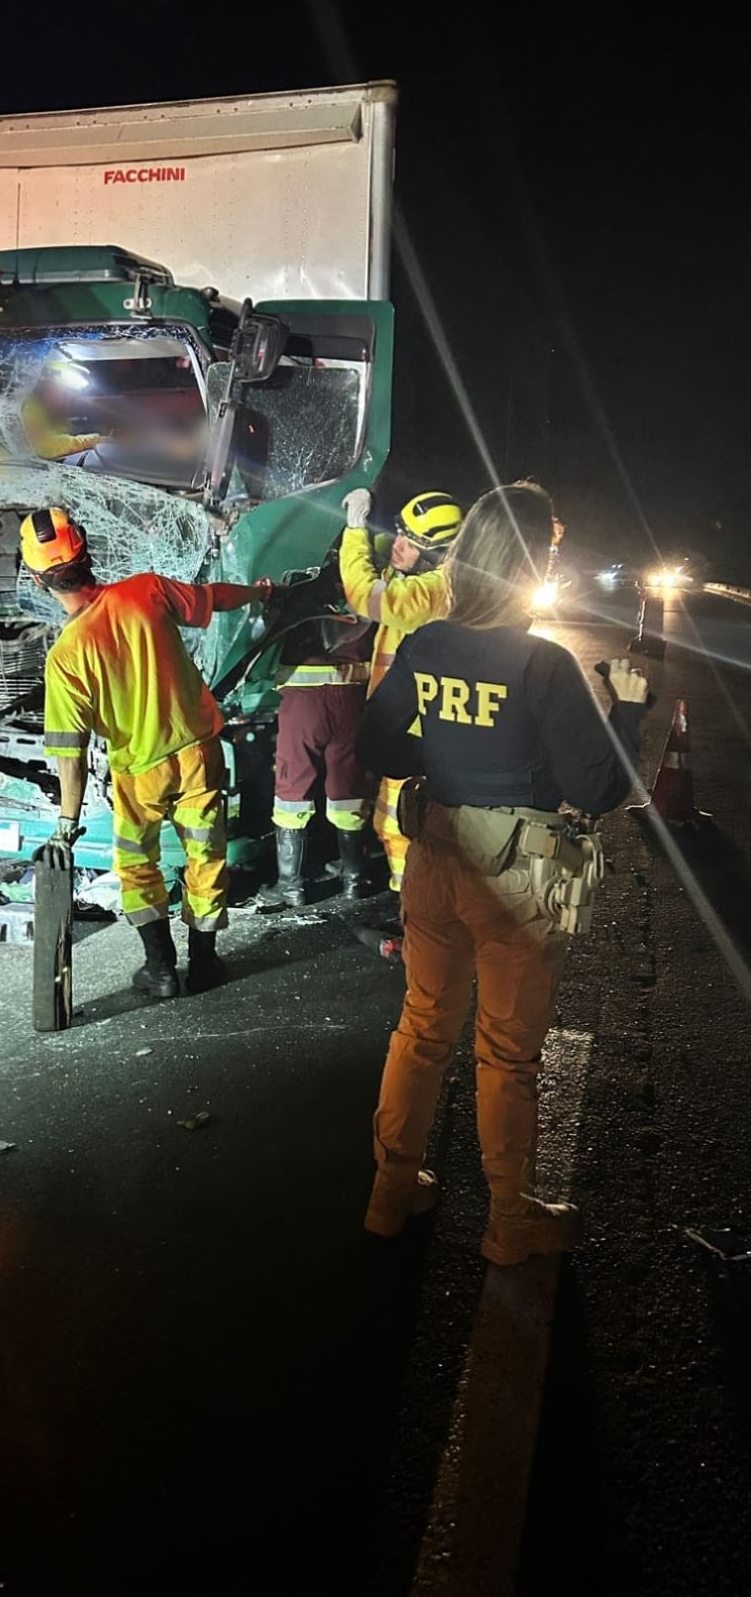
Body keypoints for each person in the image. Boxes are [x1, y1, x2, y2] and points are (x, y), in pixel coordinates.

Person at [357, 481, 650, 1264]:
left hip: (434, 852)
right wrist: (625, 709)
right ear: (528, 566)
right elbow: (594, 788)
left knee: (421, 1027)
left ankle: (389, 1194)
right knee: (506, 1054)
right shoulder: (544, 664)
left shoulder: (425, 646)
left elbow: (381, 749)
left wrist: (447, 762)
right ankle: (509, 1223)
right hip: (517, 870)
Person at [20, 507, 273, 997]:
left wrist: (66, 825)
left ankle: (159, 970)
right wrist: (260, 593)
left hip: (139, 774)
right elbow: (214, 599)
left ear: (37, 579)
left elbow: (70, 753)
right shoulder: (145, 591)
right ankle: (205, 965)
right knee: (206, 856)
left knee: (138, 866)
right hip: (199, 754)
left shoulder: (66, 657)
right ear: (86, 551)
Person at [340, 487, 463, 896]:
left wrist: (354, 530)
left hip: (415, 735)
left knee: (401, 828)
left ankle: (417, 917)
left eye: (410, 542)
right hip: (407, 729)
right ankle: (413, 911)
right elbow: (387, 559)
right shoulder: (424, 575)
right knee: (393, 826)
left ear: (435, 553)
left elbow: (366, 597)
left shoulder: (432, 591)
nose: (398, 545)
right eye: (399, 533)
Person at [256, 605, 373, 910]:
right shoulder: (358, 584)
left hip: (303, 696)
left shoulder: (299, 582)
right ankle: (354, 880)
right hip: (351, 695)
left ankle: (290, 886)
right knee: (347, 784)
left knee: (292, 787)